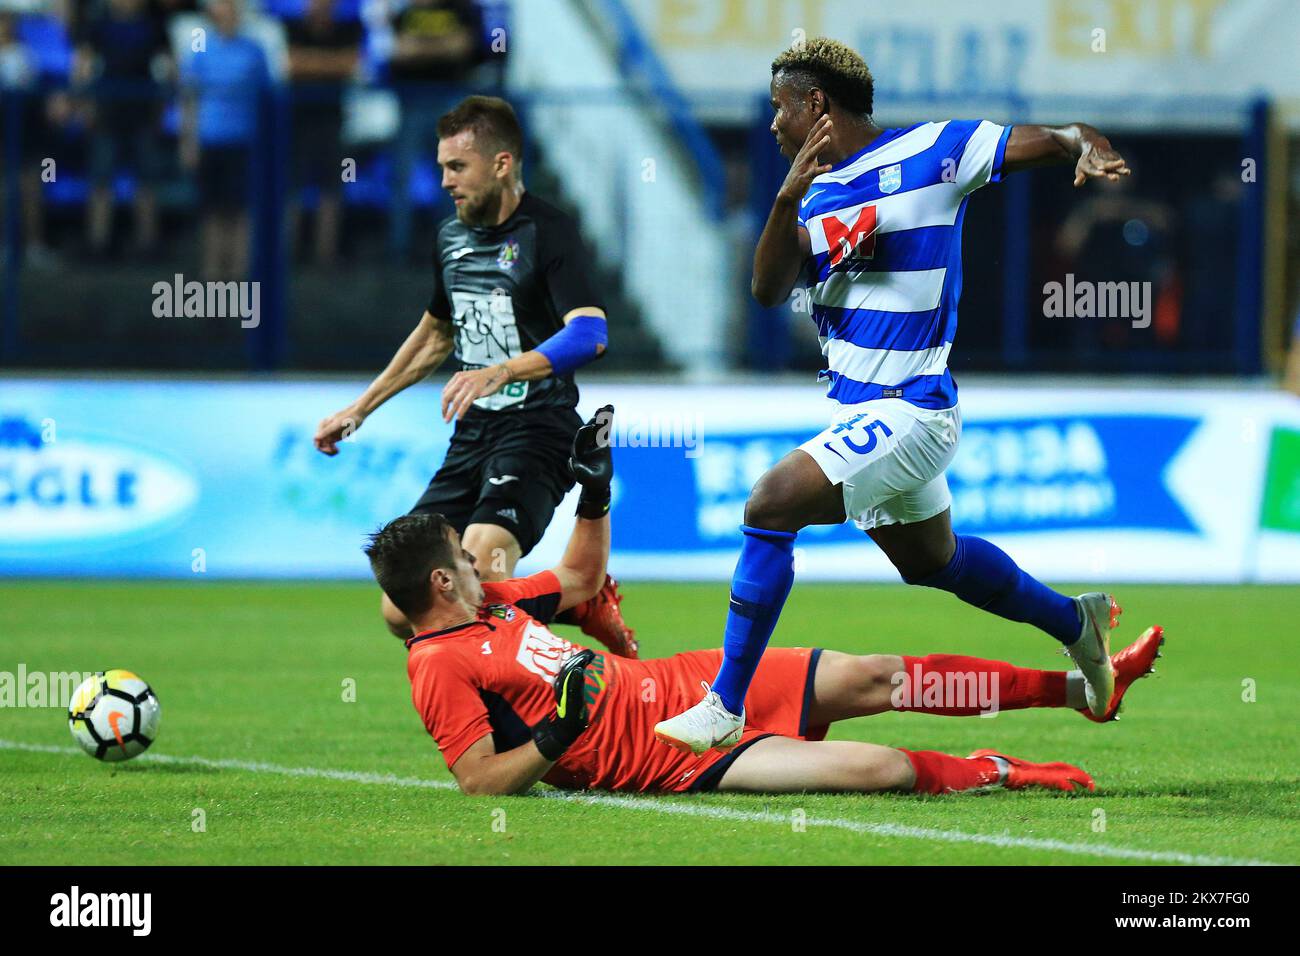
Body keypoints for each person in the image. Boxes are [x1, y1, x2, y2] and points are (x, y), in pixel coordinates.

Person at [655, 37, 1134, 754]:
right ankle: (1075, 623)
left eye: (781, 109)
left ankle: (725, 702)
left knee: (770, 502)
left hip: (914, 408)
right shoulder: (811, 196)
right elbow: (765, 290)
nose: (774, 124)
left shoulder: (937, 150)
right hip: (862, 415)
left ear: (816, 104)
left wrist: (1085, 147)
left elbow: (1060, 138)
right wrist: (786, 197)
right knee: (932, 563)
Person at [366, 407, 1165, 797]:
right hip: (677, 757)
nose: (481, 565)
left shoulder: (499, 605)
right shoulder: (438, 665)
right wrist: (556, 734)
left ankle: (1081, 691)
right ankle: (1003, 771)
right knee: (877, 769)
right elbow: (478, 783)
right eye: (463, 565)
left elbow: (577, 584)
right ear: (441, 584)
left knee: (886, 676)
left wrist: (596, 489)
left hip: (702, 686)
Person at [315, 96, 635, 656]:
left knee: (481, 572)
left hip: (539, 428)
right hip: (471, 437)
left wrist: (500, 371)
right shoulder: (450, 238)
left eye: (456, 167)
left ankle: (535, 713)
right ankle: (574, 599)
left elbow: (590, 334)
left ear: (502, 164)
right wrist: (359, 408)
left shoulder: (549, 232)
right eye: (441, 167)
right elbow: (436, 334)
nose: (443, 181)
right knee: (402, 607)